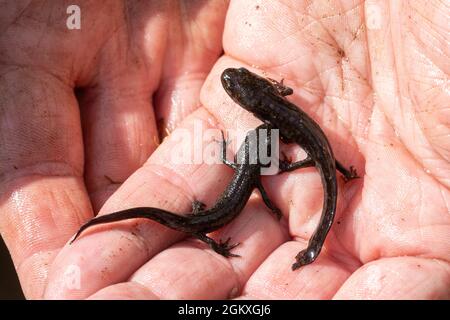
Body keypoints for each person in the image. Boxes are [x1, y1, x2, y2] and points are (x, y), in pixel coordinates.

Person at [0, 1, 448, 299]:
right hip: (289, 153)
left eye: (237, 90)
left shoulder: (265, 139)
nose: (233, 89)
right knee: (321, 169)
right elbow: (275, 127)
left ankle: (317, 237)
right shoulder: (269, 123)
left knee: (321, 170)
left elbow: (269, 151)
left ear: (252, 96)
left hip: (286, 158)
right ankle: (319, 227)